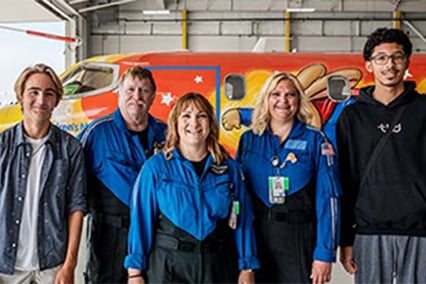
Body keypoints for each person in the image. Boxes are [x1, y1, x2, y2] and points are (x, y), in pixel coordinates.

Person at [125, 92, 260, 284]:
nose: (194, 123)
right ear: (176, 123)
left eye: (201, 116)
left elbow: (243, 218)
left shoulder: (229, 169)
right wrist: (135, 273)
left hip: (217, 265)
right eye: (186, 116)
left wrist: (247, 266)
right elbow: (141, 220)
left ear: (210, 123)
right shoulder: (155, 168)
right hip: (169, 266)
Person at [337, 27, 426, 283]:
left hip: (420, 231)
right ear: (369, 65)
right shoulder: (352, 118)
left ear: (407, 62)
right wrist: (346, 239)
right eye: (381, 58)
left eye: (397, 57)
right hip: (368, 231)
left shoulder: (423, 110)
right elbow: (345, 180)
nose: (390, 65)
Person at [236, 72, 341, 284]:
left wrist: (324, 253)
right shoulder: (249, 140)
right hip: (257, 238)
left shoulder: (315, 139)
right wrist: (243, 256)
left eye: (290, 95)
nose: (283, 101)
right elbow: (239, 199)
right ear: (266, 99)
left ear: (299, 100)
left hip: (297, 237)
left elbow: (329, 199)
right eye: (276, 94)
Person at [78, 66, 167, 283]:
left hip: (158, 234)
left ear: (153, 96)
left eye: (143, 91)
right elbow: (75, 182)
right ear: (118, 92)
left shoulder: (167, 133)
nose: (136, 96)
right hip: (111, 237)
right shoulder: (97, 132)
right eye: (130, 90)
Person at [0, 63, 86, 283]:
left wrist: (69, 265)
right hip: (5, 266)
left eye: (49, 93)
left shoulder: (70, 149)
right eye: (34, 92)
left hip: (52, 266)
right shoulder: (2, 145)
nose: (41, 100)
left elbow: (76, 208)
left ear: (56, 101)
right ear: (20, 96)